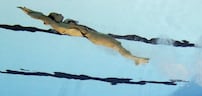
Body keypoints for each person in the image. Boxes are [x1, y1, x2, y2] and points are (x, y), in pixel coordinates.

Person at [18, 6, 149, 65]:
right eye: (57, 13)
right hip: (91, 36)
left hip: (93, 35)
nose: (59, 13)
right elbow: (42, 17)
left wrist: (31, 11)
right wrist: (28, 12)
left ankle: (134, 58)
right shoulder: (57, 25)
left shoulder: (63, 24)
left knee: (116, 45)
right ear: (54, 18)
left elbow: (43, 16)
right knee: (117, 45)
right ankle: (134, 59)